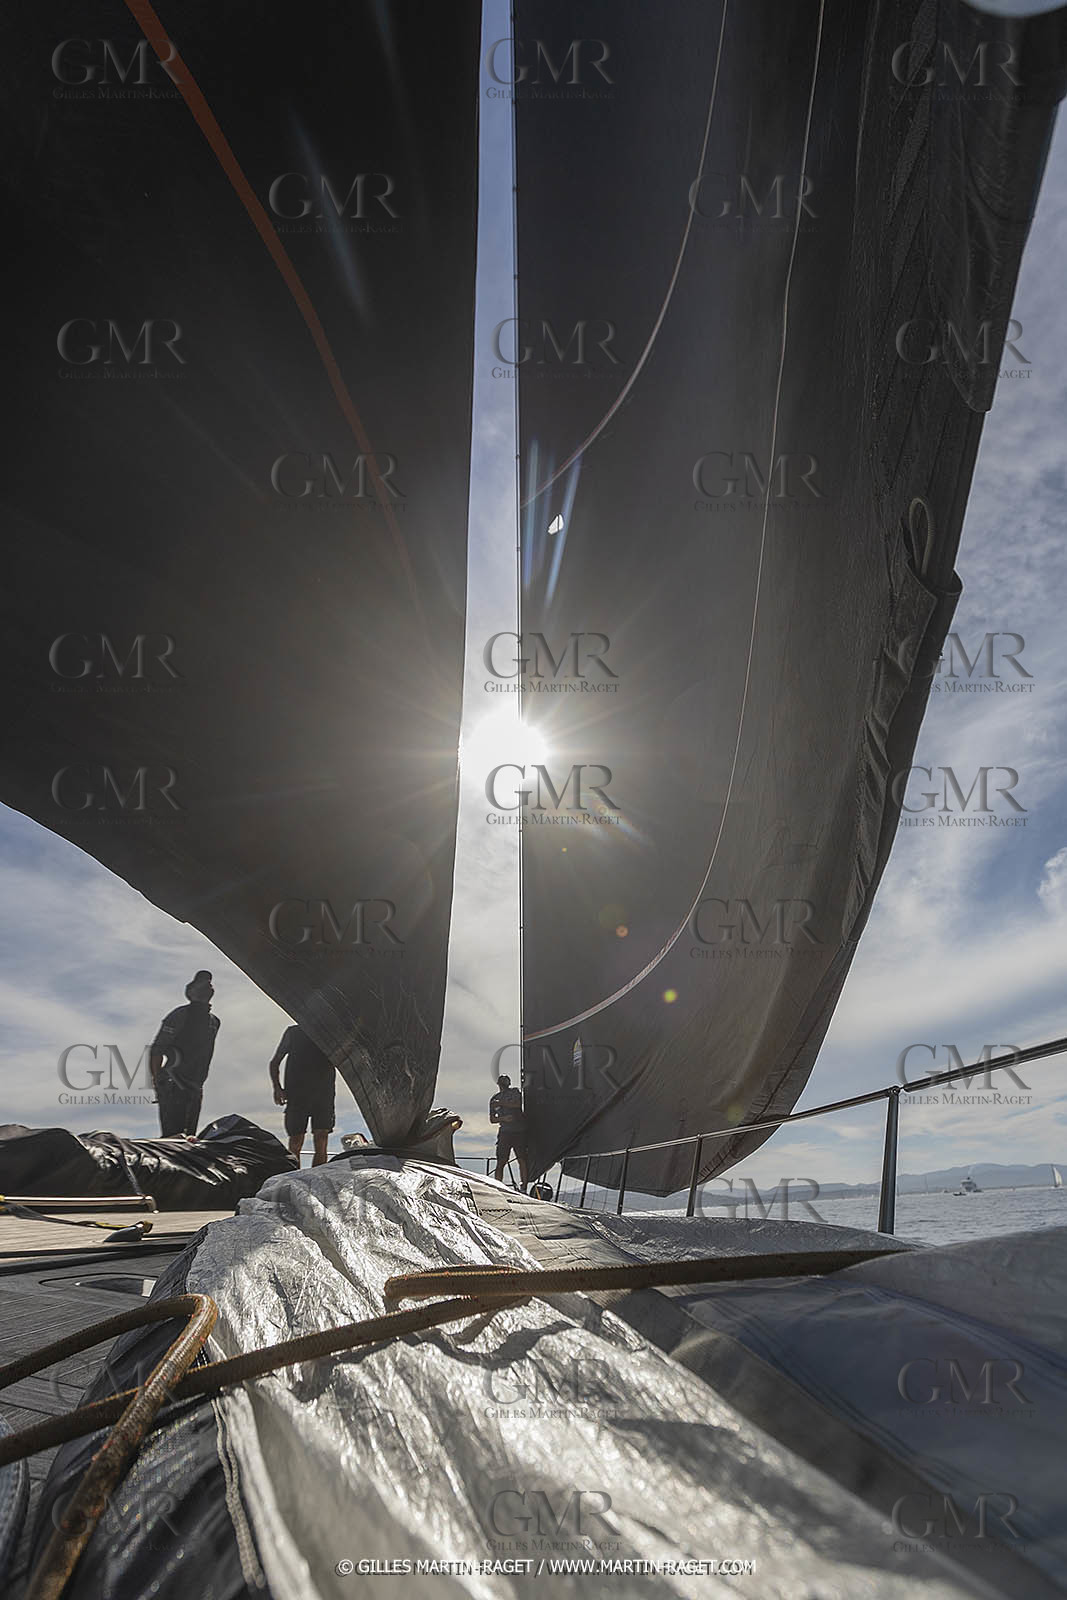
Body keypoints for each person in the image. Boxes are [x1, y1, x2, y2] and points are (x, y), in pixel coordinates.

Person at [148, 970, 220, 1136]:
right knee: (174, 1138)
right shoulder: (180, 1015)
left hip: (196, 1086)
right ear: (191, 992)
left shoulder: (214, 1022)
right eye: (201, 982)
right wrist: (158, 1080)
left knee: (189, 1138)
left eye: (209, 982)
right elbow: (157, 1049)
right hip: (173, 1083)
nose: (207, 985)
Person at [270, 1024, 335, 1166]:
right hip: (297, 1095)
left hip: (324, 1095)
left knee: (321, 1139)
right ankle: (293, 1180)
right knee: (296, 1140)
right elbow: (274, 1062)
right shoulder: (294, 1033)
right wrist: (277, 1088)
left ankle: (319, 1182)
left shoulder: (331, 1032)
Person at [489, 1073, 528, 1191]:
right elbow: (492, 1119)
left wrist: (501, 1103)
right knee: (501, 1161)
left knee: (522, 1159)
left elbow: (517, 1104)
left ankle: (524, 1187)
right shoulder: (493, 1099)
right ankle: (497, 1187)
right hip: (505, 1133)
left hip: (519, 1131)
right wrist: (503, 1119)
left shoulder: (514, 1092)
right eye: (502, 1081)